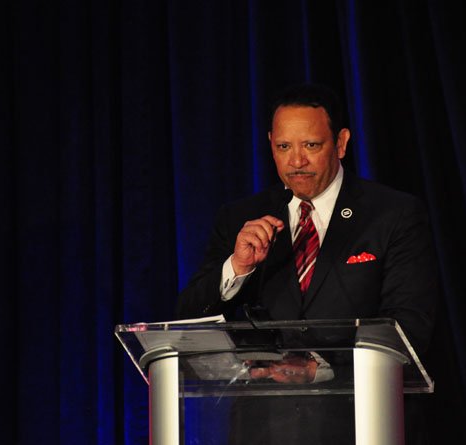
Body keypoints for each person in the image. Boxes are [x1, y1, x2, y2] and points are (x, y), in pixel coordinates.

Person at [177, 83, 438, 444]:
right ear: (271, 144)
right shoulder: (241, 217)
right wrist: (236, 268)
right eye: (284, 147)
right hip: (262, 427)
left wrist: (324, 368)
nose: (296, 161)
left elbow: (409, 327)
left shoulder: (393, 214)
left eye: (311, 146)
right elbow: (187, 320)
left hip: (360, 421)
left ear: (341, 143)